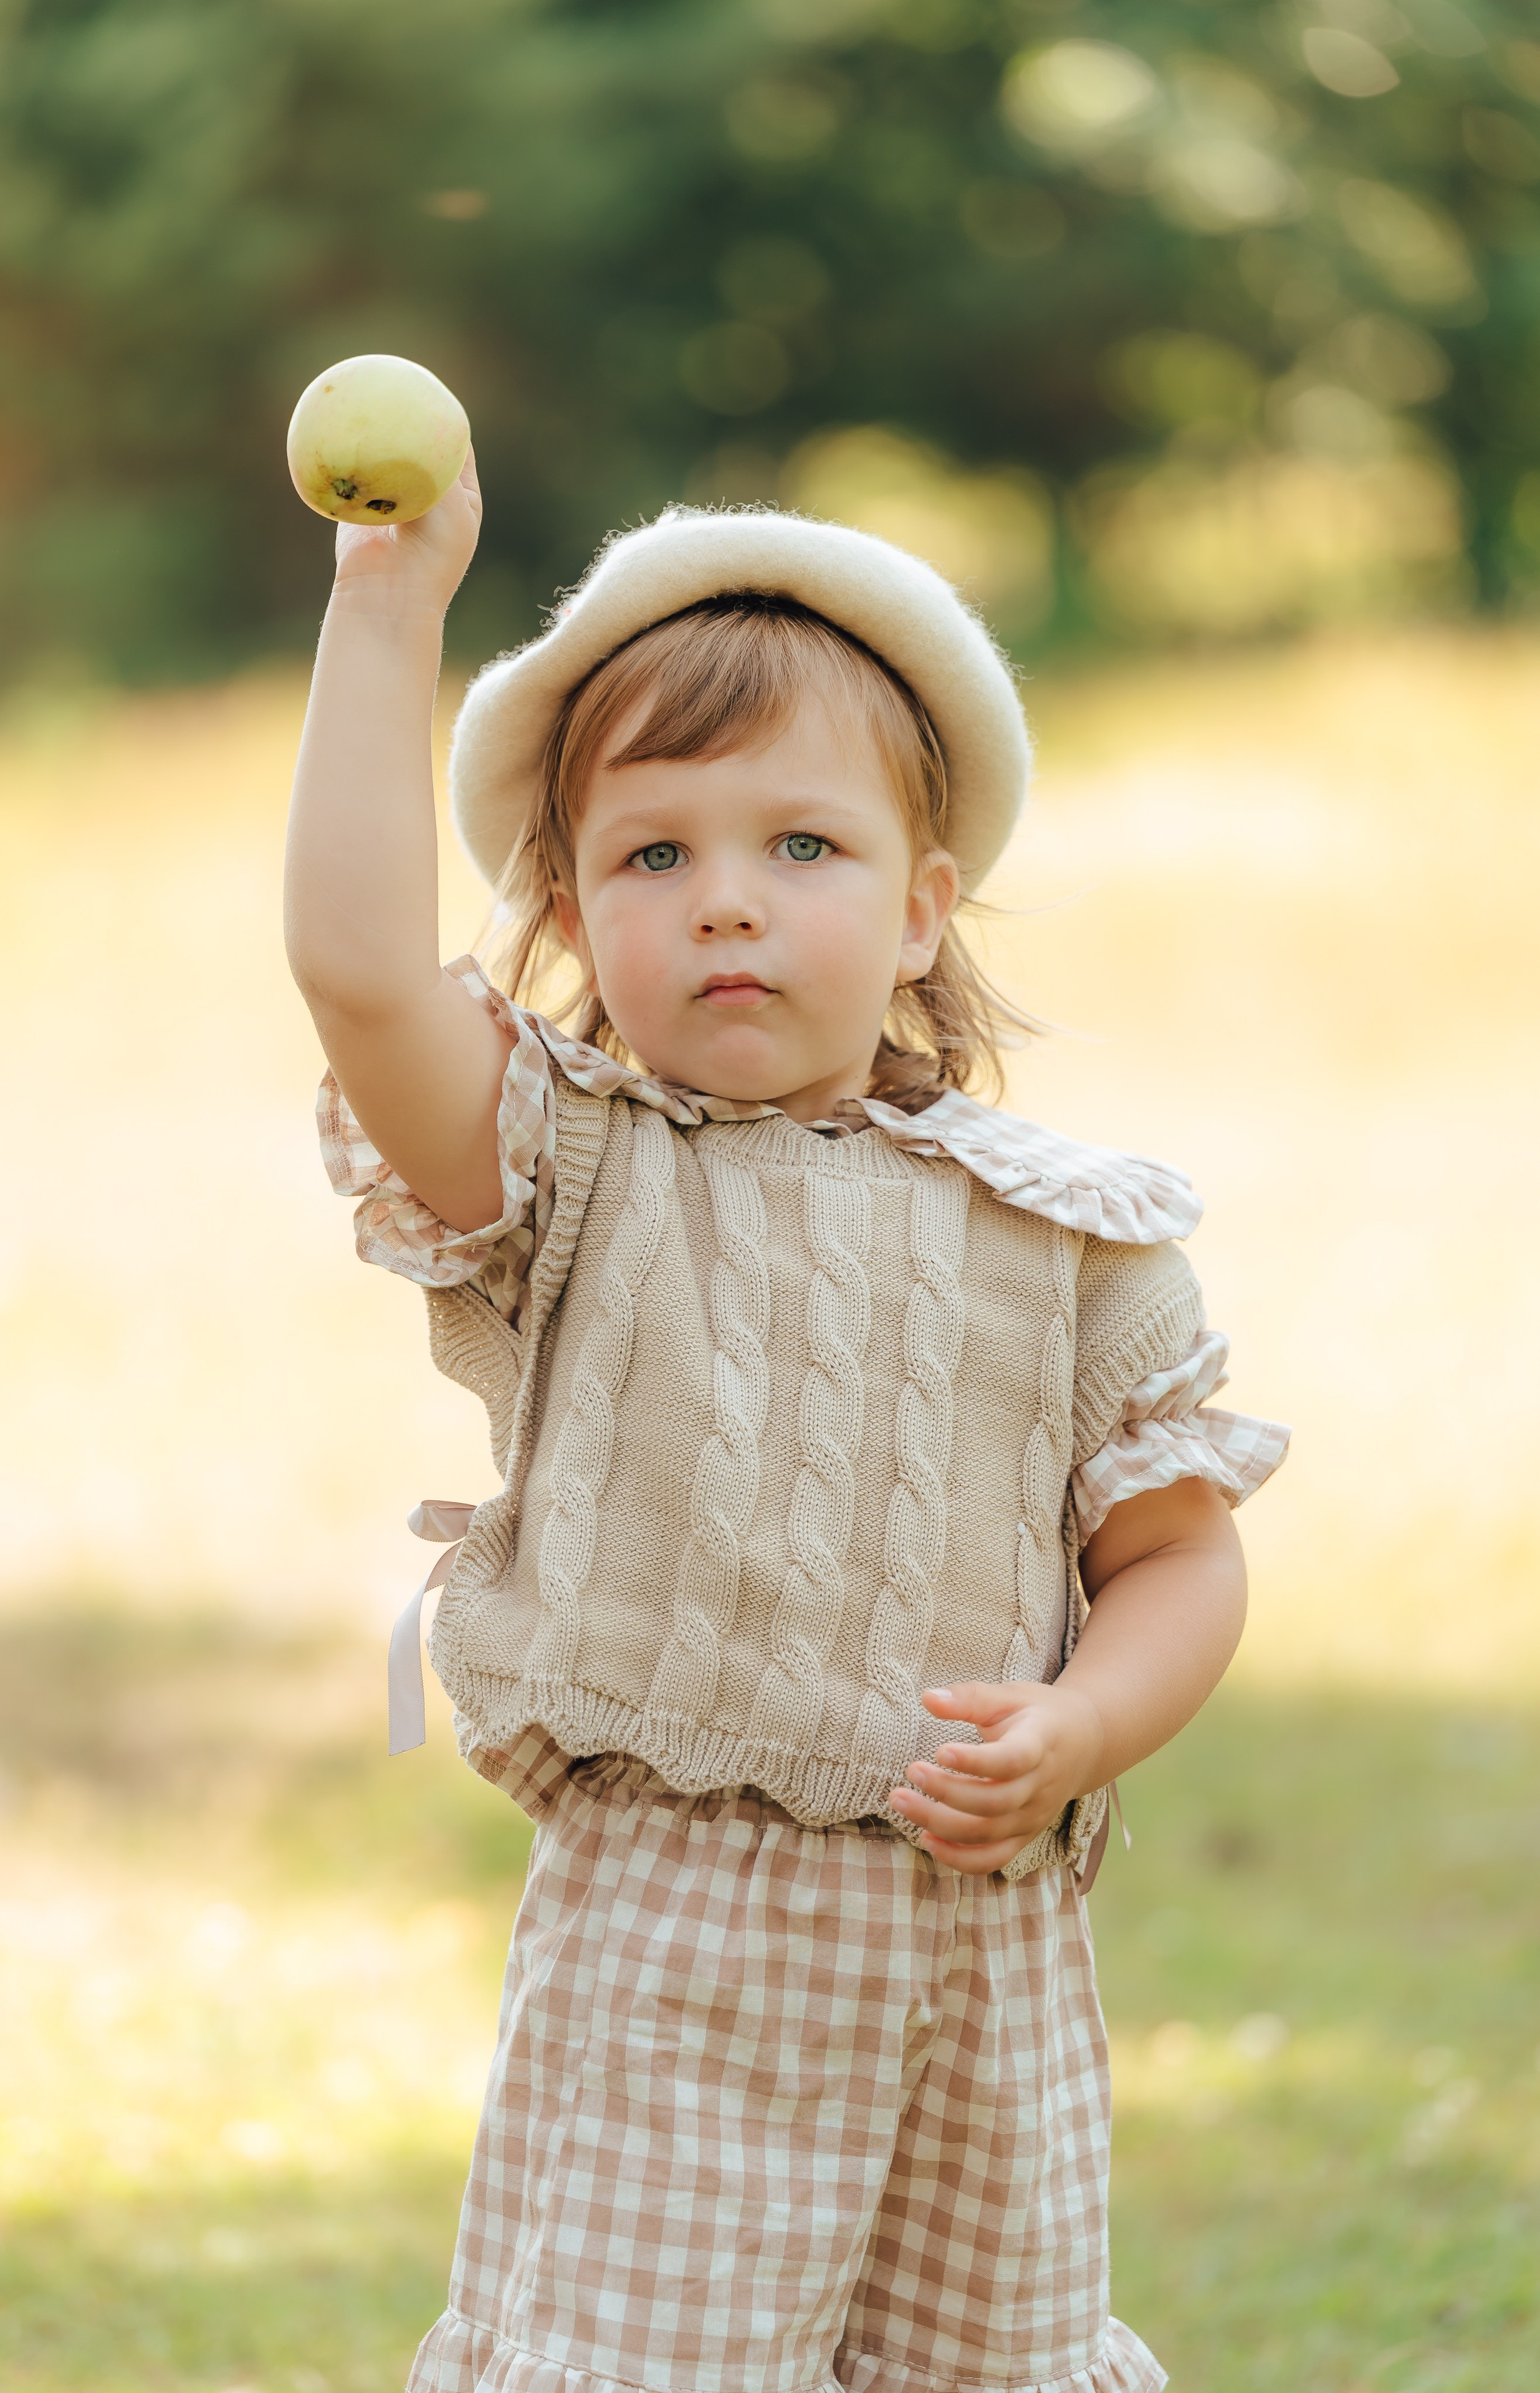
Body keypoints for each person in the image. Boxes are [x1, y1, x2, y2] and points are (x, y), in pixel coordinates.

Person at [285, 449, 1288, 2393]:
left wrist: (1085, 1726)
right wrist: (386, 607)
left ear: (923, 908)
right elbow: (351, 972)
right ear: (574, 916)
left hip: (981, 1952)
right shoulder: (571, 1170)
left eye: (799, 850)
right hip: (676, 1944)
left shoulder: (1067, 1235)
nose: (727, 905)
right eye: (655, 859)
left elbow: (1176, 1556)